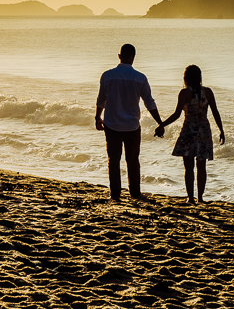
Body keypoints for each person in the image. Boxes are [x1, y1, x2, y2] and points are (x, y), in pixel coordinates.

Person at [96, 44, 163, 201]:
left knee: (114, 159)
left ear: (119, 56)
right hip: (132, 125)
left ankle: (115, 194)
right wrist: (160, 122)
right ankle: (135, 193)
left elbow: (101, 100)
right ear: (133, 57)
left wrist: (97, 117)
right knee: (132, 160)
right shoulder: (140, 78)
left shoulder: (107, 75)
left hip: (111, 124)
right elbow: (149, 103)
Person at [155, 64, 225, 203]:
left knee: (188, 168)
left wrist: (162, 125)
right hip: (204, 130)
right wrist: (221, 130)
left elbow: (176, 115)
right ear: (200, 77)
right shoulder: (208, 92)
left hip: (189, 131)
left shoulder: (185, 93)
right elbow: (215, 112)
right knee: (201, 166)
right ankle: (200, 198)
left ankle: (191, 198)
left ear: (186, 78)